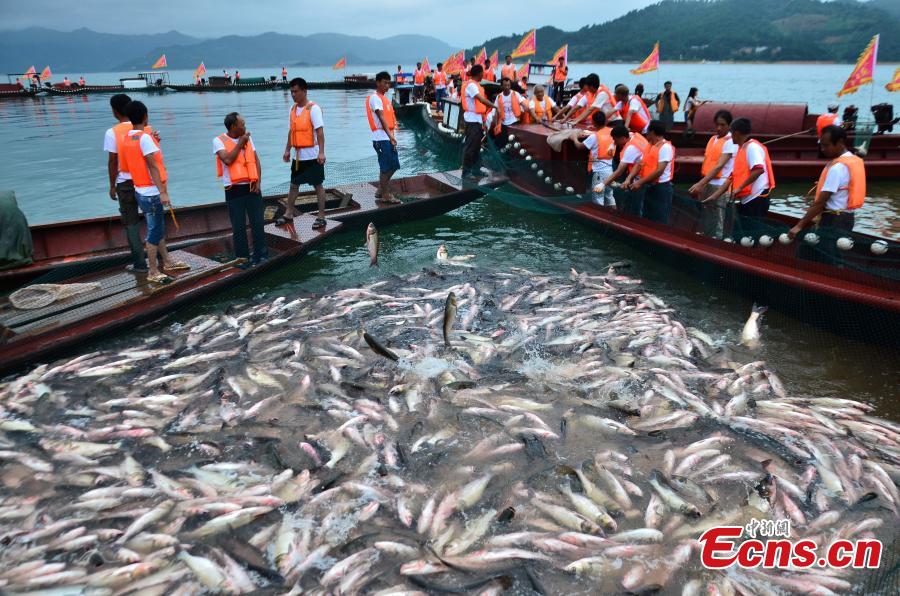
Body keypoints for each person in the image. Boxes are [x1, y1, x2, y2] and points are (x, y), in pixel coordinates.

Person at [118, 100, 188, 283]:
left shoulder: (128, 138)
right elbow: (153, 167)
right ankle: (153, 271)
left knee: (156, 227)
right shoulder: (144, 138)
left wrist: (153, 141)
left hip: (140, 190)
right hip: (151, 193)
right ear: (145, 116)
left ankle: (167, 261)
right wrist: (163, 192)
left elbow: (138, 160)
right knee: (155, 233)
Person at [789, 125, 864, 238]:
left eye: (826, 145)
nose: (823, 149)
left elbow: (820, 203)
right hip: (847, 218)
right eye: (821, 145)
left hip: (833, 220)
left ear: (840, 142)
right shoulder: (854, 160)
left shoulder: (837, 168)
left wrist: (799, 225)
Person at [214, 112, 267, 267]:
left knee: (258, 223)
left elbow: (256, 161)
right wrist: (240, 143)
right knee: (239, 227)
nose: (245, 127)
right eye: (242, 124)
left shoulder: (248, 138)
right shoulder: (218, 141)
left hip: (252, 187)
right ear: (233, 127)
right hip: (234, 190)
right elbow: (227, 160)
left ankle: (261, 255)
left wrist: (258, 182)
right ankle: (243, 258)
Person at [103, 93, 147, 271]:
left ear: (115, 111)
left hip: (125, 183)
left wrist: (112, 186)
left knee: (131, 224)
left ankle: (140, 264)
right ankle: (161, 258)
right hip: (146, 181)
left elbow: (113, 161)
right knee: (153, 220)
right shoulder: (144, 128)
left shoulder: (112, 132)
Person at [707, 118, 775, 231]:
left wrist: (739, 188)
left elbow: (758, 170)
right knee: (742, 231)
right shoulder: (742, 148)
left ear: (736, 133)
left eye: (731, 132)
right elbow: (732, 176)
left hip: (756, 199)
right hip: (747, 200)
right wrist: (715, 196)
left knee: (751, 234)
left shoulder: (752, 148)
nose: (730, 137)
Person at [282, 77, 328, 229]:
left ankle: (321, 216)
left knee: (317, 185)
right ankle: (288, 213)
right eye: (291, 92)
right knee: (294, 185)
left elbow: (320, 132)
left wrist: (321, 152)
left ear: (304, 91)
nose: (293, 94)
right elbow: (291, 131)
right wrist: (287, 149)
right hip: (298, 156)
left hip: (313, 155)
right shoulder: (292, 109)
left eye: (295, 91)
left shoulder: (313, 109)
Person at [689, 109, 736, 238]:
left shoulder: (730, 141)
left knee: (718, 217)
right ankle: (707, 237)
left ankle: (717, 241)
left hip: (720, 185)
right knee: (707, 214)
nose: (719, 128)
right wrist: (703, 183)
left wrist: (700, 184)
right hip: (707, 182)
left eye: (723, 125)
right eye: (717, 124)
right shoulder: (713, 139)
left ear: (729, 125)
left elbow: (719, 166)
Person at [367, 71, 402, 205]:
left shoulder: (384, 98)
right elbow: (381, 118)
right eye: (384, 83)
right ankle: (385, 195)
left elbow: (389, 119)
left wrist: (392, 137)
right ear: (378, 83)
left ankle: (380, 190)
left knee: (392, 165)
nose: (387, 85)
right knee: (387, 167)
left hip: (387, 138)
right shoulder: (375, 98)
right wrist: (390, 136)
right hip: (381, 138)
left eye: (389, 83)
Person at [630, 120, 675, 224]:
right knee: (647, 216)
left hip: (661, 188)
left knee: (660, 219)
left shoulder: (665, 147)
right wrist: (630, 178)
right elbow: (640, 163)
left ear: (652, 132)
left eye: (647, 131)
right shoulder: (649, 146)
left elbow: (659, 171)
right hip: (649, 185)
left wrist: (639, 182)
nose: (646, 134)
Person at [461, 64, 497, 178]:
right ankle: (466, 172)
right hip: (471, 120)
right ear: (480, 73)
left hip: (477, 119)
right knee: (470, 147)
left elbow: (479, 106)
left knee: (477, 147)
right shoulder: (471, 85)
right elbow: (481, 100)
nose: (483, 75)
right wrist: (495, 106)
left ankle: (476, 170)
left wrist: (483, 121)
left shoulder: (476, 85)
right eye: (483, 73)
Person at [603, 125, 649, 215]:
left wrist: (602, 184)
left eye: (616, 140)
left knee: (635, 206)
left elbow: (619, 171)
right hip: (642, 174)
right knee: (635, 203)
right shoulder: (634, 136)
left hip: (641, 177)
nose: (615, 143)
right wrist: (612, 145)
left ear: (623, 138)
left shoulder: (630, 149)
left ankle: (633, 221)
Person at [573, 111, 615, 206]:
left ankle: (600, 216)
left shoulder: (594, 137)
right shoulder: (612, 132)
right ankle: (614, 214)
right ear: (605, 121)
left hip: (599, 173)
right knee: (610, 197)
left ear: (594, 123)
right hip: (610, 171)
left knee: (598, 199)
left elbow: (580, 146)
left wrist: (574, 137)